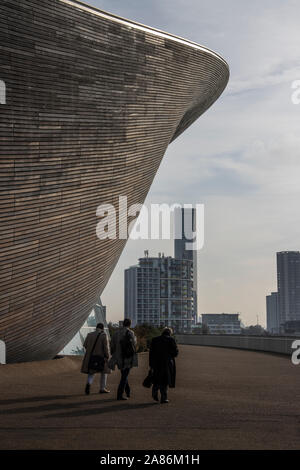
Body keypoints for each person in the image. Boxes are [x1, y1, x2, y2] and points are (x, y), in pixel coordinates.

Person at [109, 318, 138, 400]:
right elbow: (134, 344)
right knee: (124, 376)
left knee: (124, 375)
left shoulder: (116, 333)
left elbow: (112, 345)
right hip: (127, 357)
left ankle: (128, 391)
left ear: (123, 324)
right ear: (130, 324)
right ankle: (119, 394)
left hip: (118, 357)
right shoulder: (130, 332)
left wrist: (114, 354)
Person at [149, 327, 179, 404]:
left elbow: (151, 353)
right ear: (170, 333)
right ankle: (163, 398)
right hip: (167, 363)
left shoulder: (155, 340)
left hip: (156, 363)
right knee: (165, 381)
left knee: (157, 378)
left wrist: (151, 364)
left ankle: (155, 390)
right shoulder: (171, 340)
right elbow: (175, 353)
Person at [81, 322, 111, 395]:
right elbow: (106, 348)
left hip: (91, 357)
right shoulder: (104, 335)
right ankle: (102, 388)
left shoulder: (90, 334)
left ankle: (88, 383)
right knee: (104, 372)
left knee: (91, 372)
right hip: (101, 357)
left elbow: (85, 345)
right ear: (102, 328)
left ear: (96, 327)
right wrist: (108, 356)